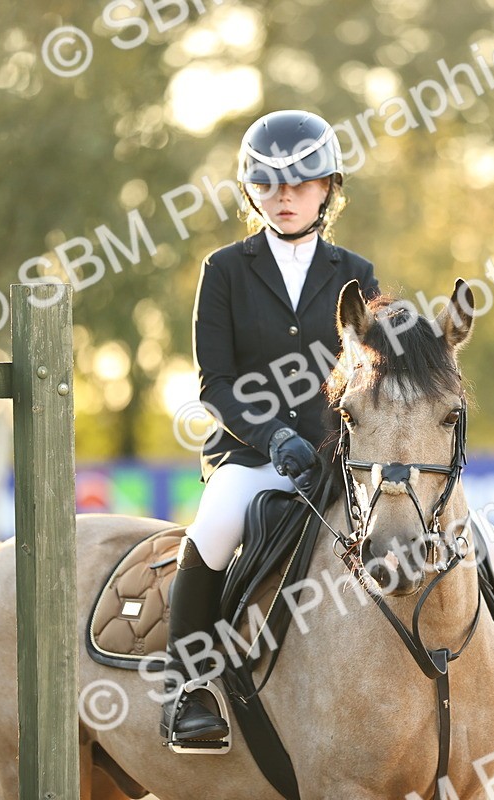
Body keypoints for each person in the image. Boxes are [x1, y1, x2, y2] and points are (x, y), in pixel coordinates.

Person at [160, 109, 380, 746]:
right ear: (250, 189)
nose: (284, 197)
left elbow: (365, 370)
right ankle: (190, 689)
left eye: (300, 184)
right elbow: (216, 383)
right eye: (269, 185)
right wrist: (273, 438)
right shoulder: (224, 270)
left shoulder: (356, 273)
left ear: (328, 190)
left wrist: (328, 439)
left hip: (335, 455)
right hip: (250, 454)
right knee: (216, 527)